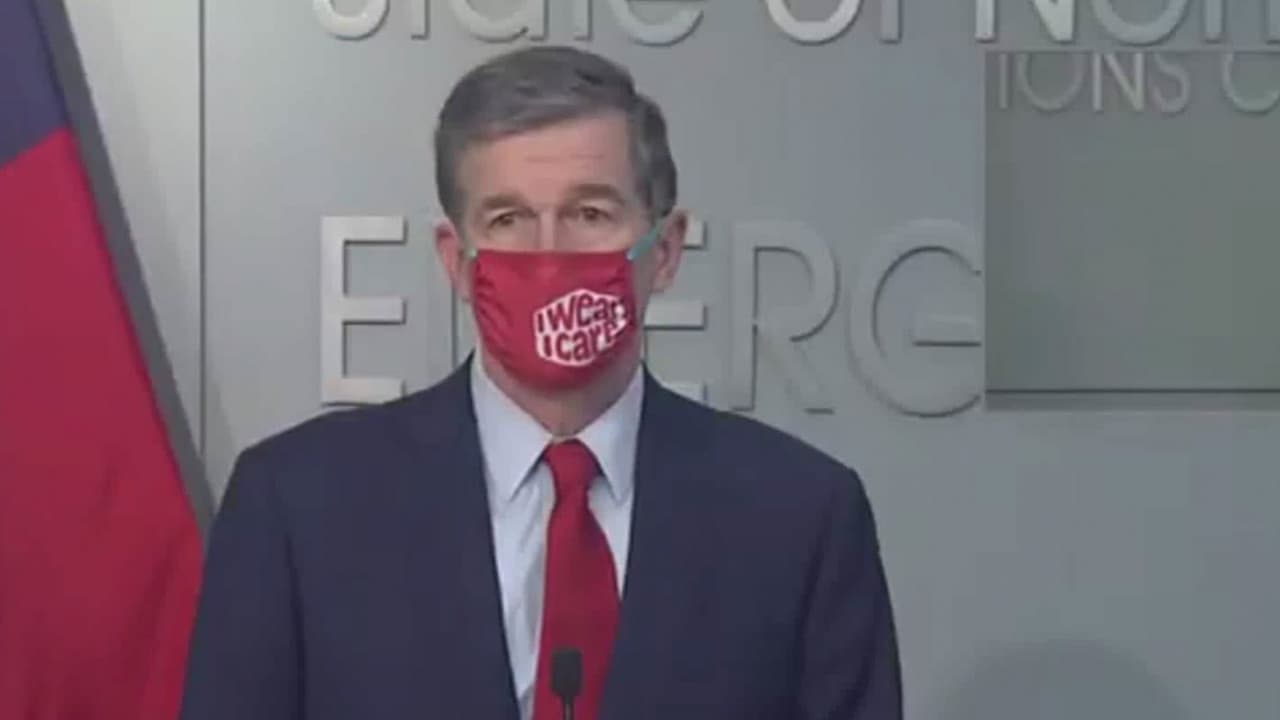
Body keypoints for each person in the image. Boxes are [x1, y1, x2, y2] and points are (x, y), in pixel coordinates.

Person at [179, 45, 901, 720]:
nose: (549, 255)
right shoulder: (297, 508)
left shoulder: (800, 519)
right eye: (508, 218)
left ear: (666, 250)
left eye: (590, 213)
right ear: (455, 260)